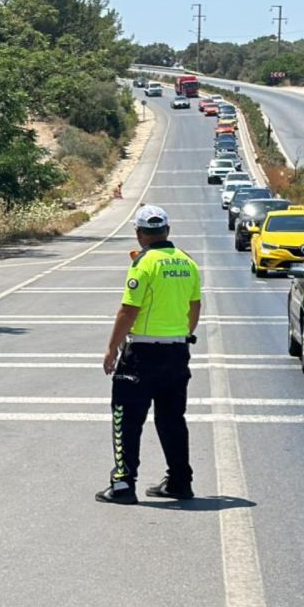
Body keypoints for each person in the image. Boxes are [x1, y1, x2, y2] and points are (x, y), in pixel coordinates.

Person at [96, 205, 201, 505]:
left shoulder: (143, 264)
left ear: (140, 234)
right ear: (167, 231)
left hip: (141, 353)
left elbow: (129, 310)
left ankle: (123, 484)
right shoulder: (187, 262)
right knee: (172, 420)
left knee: (126, 419)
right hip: (177, 351)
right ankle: (180, 481)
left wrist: (112, 347)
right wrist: (181, 334)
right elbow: (194, 307)